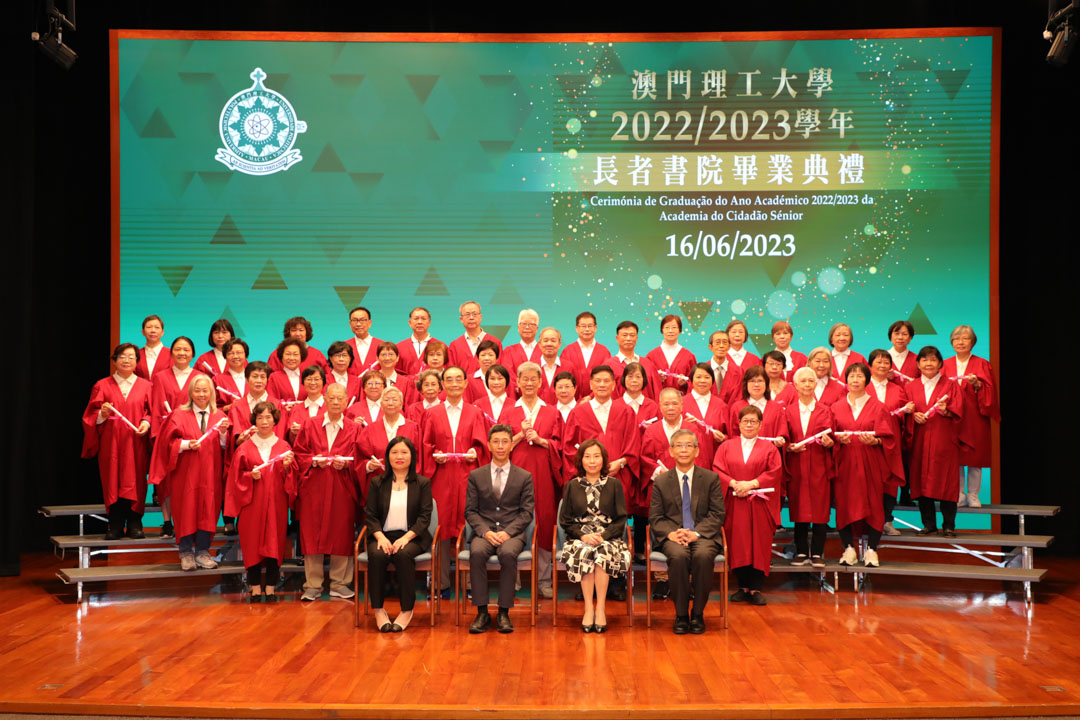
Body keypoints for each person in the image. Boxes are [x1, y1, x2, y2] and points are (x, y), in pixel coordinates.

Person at [561, 365, 639, 602]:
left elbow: (634, 442)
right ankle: (588, 583)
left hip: (617, 478)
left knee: (614, 526)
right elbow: (568, 446)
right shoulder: (579, 411)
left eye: (607, 381)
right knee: (586, 523)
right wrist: (586, 470)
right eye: (598, 381)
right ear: (591, 384)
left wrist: (621, 462)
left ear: (614, 384)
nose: (602, 384)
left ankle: (616, 583)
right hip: (588, 480)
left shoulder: (625, 410)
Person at [421, 366, 490, 598]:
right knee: (440, 528)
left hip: (467, 476)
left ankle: (470, 584)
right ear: (443, 384)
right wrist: (434, 454)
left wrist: (475, 452)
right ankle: (440, 584)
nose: (453, 384)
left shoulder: (475, 412)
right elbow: (425, 444)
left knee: (469, 527)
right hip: (441, 477)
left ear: (465, 383)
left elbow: (482, 444)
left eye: (458, 379)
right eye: (448, 380)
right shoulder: (432, 413)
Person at [149, 375, 230, 571]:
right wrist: (185, 444)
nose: (201, 394)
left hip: (210, 473)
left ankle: (202, 552)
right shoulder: (178, 415)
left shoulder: (219, 416)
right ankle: (185, 553)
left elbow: (225, 447)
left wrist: (223, 434)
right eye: (197, 390)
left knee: (207, 511)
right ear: (190, 393)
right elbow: (166, 443)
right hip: (186, 474)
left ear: (211, 393)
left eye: (205, 390)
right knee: (185, 510)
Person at [649, 429, 726, 634]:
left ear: (697, 451)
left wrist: (696, 533)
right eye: (679, 446)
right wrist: (672, 534)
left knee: (702, 555)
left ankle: (698, 614)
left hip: (703, 535)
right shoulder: (661, 482)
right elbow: (656, 517)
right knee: (679, 556)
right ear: (671, 451)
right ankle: (681, 615)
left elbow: (717, 513)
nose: (684, 450)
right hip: (674, 536)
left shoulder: (710, 478)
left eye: (688, 445)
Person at [831, 363, 905, 566]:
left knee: (874, 505)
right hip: (845, 463)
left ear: (867, 380)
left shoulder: (879, 407)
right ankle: (848, 549)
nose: (855, 380)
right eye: (851, 376)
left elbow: (889, 438)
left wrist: (876, 441)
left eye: (859, 376)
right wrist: (837, 440)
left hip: (870, 463)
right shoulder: (836, 407)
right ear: (846, 379)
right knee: (844, 504)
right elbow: (829, 436)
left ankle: (872, 549)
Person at [293, 384, 362, 601]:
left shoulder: (354, 428)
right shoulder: (310, 424)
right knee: (312, 534)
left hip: (342, 487)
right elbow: (299, 453)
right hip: (315, 487)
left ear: (346, 401)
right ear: (325, 399)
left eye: (340, 398)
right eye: (331, 398)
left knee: (341, 534)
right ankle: (312, 585)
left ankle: (339, 584)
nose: (335, 402)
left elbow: (360, 458)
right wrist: (314, 461)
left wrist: (347, 464)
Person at [465, 424, 535, 634]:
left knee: (508, 554)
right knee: (477, 552)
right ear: (488, 445)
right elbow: (470, 511)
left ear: (512, 445)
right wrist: (485, 532)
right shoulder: (476, 475)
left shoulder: (524, 476)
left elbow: (526, 513)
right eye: (496, 442)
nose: (501, 446)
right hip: (484, 531)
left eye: (505, 442)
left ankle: (504, 612)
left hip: (511, 532)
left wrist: (508, 532)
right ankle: (482, 612)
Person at [225, 400, 296, 601]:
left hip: (276, 504)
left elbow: (291, 479)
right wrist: (249, 476)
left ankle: (271, 586)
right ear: (254, 420)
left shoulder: (283, 446)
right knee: (251, 543)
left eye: (268, 417)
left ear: (275, 420)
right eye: (260, 417)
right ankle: (255, 586)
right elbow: (234, 479)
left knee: (275, 542)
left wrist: (287, 467)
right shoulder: (244, 448)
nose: (264, 421)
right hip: (251, 504)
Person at [558, 440, 631, 633]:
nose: (592, 461)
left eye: (596, 456)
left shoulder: (614, 484)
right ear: (580, 460)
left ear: (604, 460)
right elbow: (565, 521)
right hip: (580, 539)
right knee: (585, 552)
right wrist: (583, 536)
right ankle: (589, 608)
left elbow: (621, 519)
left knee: (602, 552)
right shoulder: (572, 485)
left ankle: (601, 608)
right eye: (588, 456)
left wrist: (604, 535)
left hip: (608, 538)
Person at [713, 405, 783, 606]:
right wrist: (734, 484)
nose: (749, 425)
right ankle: (742, 587)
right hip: (735, 501)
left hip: (759, 502)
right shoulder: (726, 446)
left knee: (759, 543)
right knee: (738, 542)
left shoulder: (769, 448)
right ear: (739, 424)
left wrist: (751, 484)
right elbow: (717, 469)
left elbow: (774, 471)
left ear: (760, 425)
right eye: (746, 421)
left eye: (754, 421)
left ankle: (756, 588)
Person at [82, 343, 153, 539]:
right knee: (112, 479)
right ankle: (114, 523)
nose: (126, 360)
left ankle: (135, 522)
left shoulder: (147, 386)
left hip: (136, 442)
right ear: (114, 360)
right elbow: (90, 415)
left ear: (137, 362)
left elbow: (151, 412)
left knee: (136, 480)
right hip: (111, 442)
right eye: (122, 356)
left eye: (131, 357)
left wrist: (146, 423)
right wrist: (102, 414)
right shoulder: (102, 385)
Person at [366, 436, 434, 632]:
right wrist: (380, 537)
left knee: (403, 554)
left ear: (412, 456)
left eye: (404, 452)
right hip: (382, 535)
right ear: (388, 456)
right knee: (377, 554)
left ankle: (406, 610)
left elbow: (424, 517)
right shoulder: (377, 482)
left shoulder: (422, 483)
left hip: (412, 536)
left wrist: (406, 538)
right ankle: (379, 610)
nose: (399, 456)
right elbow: (370, 515)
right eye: (394, 452)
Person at [507, 362, 563, 600]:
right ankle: (513, 579)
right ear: (517, 382)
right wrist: (520, 434)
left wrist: (541, 441)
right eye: (525, 379)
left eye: (533, 379)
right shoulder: (509, 412)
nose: (529, 383)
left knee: (544, 522)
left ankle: (543, 580)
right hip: (514, 475)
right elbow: (499, 445)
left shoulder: (552, 411)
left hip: (543, 475)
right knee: (514, 521)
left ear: (541, 382)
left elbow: (561, 445)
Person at [903, 346, 966, 537]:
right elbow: (903, 411)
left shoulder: (951, 385)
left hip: (943, 439)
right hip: (920, 440)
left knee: (947, 481)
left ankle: (949, 525)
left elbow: (960, 411)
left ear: (940, 364)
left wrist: (946, 410)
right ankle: (929, 524)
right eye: (924, 360)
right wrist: (913, 415)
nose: (928, 363)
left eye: (932, 360)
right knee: (921, 480)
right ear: (918, 364)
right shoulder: (910, 386)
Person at [784, 367, 835, 567]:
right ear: (795, 385)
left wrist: (829, 443)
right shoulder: (788, 411)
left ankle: (817, 552)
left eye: (811, 381)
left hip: (819, 464)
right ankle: (801, 551)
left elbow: (832, 437)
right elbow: (784, 437)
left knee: (820, 508)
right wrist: (789, 447)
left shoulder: (825, 410)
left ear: (816, 384)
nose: (807, 384)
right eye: (803, 381)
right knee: (799, 506)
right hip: (797, 464)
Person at [945, 325, 1001, 508]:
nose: (960, 342)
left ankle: (973, 494)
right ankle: (959, 493)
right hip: (953, 416)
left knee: (975, 456)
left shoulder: (982, 363)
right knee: (956, 457)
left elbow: (990, 391)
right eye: (956, 339)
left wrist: (977, 384)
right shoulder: (945, 364)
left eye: (965, 338)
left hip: (975, 415)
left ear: (973, 342)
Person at [867, 349, 914, 535]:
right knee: (869, 482)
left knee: (889, 481)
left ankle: (887, 521)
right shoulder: (862, 388)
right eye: (878, 362)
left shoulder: (898, 390)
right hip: (868, 441)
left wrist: (907, 411)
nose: (882, 365)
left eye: (886, 362)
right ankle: (869, 522)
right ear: (870, 365)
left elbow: (905, 418)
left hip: (890, 443)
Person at [359, 386, 421, 504]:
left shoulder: (413, 428)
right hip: (378, 485)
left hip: (407, 484)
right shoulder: (370, 429)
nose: (390, 403)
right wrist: (369, 466)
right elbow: (360, 458)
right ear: (381, 404)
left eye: (394, 399)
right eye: (387, 400)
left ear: (401, 404)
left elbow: (419, 458)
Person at [150, 336, 202, 439]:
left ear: (193, 354)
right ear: (171, 353)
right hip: (167, 432)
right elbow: (157, 409)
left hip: (194, 432)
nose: (182, 353)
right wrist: (158, 435)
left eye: (186, 350)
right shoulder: (160, 377)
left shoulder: (201, 378)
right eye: (177, 349)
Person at [682, 362, 729, 465]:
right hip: (687, 463)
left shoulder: (721, 406)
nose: (702, 381)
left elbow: (730, 435)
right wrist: (683, 426)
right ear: (691, 380)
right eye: (698, 377)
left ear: (712, 380)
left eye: (707, 377)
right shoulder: (681, 404)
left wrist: (723, 438)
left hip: (715, 461)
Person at [727, 366, 787, 445]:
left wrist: (780, 440)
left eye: (760, 381)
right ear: (746, 384)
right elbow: (733, 435)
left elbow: (782, 433)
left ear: (766, 384)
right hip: (743, 451)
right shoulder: (737, 407)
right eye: (752, 381)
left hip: (769, 451)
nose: (756, 384)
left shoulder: (777, 409)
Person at [560, 312, 612, 400]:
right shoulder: (567, 351)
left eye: (590, 326)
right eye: (583, 326)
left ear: (595, 328)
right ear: (577, 328)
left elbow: (608, 378)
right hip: (571, 401)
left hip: (598, 400)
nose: (587, 329)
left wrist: (591, 397)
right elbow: (563, 378)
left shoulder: (604, 351)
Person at [447, 301, 502, 378]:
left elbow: (500, 370)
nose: (471, 317)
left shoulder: (495, 342)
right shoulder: (455, 345)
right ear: (461, 319)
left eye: (474, 314)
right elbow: (451, 372)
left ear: (480, 317)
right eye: (467, 314)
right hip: (463, 385)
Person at [609, 320, 661, 400]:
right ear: (617, 338)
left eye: (632, 335)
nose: (628, 339)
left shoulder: (648, 364)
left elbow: (658, 393)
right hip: (620, 408)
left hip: (647, 407)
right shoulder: (609, 365)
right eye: (624, 335)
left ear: (636, 338)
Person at [646, 315, 697, 391]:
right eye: (667, 327)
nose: (670, 331)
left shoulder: (689, 356)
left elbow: (695, 382)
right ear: (662, 330)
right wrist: (657, 380)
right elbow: (645, 383)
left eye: (674, 327)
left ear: (680, 330)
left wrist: (686, 384)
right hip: (658, 397)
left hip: (682, 398)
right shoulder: (651, 356)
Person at [285, 366, 326, 443]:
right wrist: (293, 433)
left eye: (316, 379)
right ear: (303, 382)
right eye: (309, 379)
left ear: (323, 382)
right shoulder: (296, 409)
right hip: (301, 449)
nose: (313, 383)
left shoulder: (330, 407)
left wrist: (304, 430)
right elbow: (291, 440)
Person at [613, 361, 659, 426]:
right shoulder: (614, 406)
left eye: (638, 377)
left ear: (644, 379)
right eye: (630, 376)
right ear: (624, 379)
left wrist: (651, 429)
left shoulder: (652, 406)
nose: (634, 380)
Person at [396, 306, 440, 375]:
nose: (420, 322)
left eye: (423, 319)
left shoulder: (440, 346)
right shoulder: (399, 347)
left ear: (429, 323)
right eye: (416, 319)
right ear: (410, 323)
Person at [374, 341, 419, 407]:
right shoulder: (370, 381)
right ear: (377, 358)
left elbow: (407, 407)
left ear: (397, 358)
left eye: (391, 354)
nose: (387, 358)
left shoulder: (405, 382)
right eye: (383, 355)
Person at [465, 340, 510, 404]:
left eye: (490, 355)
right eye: (483, 355)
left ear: (497, 358)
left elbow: (511, 402)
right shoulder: (469, 380)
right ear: (477, 358)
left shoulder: (504, 378)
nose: (487, 358)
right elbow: (466, 403)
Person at [706, 330, 744, 404]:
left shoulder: (739, 371)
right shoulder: (702, 371)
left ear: (729, 347)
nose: (721, 346)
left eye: (724, 342)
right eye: (717, 342)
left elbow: (740, 397)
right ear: (710, 347)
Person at [500, 308, 542, 372]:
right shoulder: (509, 351)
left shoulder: (544, 350)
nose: (527, 327)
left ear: (537, 328)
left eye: (531, 324)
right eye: (524, 323)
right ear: (518, 327)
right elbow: (507, 373)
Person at [212, 338, 249, 411]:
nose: (235, 356)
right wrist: (229, 407)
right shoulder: (217, 380)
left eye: (239, 352)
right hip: (228, 417)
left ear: (245, 355)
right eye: (231, 353)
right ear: (225, 356)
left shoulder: (254, 377)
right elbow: (211, 409)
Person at [345, 306, 383, 376]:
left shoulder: (382, 345)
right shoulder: (344, 347)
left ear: (370, 323)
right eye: (355, 320)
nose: (358, 324)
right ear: (350, 323)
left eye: (362, 320)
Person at [268, 337, 307, 403]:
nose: (291, 358)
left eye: (295, 354)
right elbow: (271, 401)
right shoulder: (274, 377)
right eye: (288, 354)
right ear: (281, 356)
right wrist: (283, 407)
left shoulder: (307, 376)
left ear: (301, 356)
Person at [135, 314, 171, 380]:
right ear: (143, 332)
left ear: (162, 332)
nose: (153, 330)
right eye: (149, 327)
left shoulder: (171, 354)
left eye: (157, 327)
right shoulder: (136, 354)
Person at [536, 327, 564, 404]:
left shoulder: (569, 367)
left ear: (559, 344)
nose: (549, 344)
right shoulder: (531, 367)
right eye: (545, 340)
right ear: (539, 344)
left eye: (553, 341)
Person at [886, 320, 918, 385]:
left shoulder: (918, 360)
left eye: (904, 334)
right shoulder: (879, 359)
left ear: (910, 338)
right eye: (896, 333)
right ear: (890, 337)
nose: (900, 337)